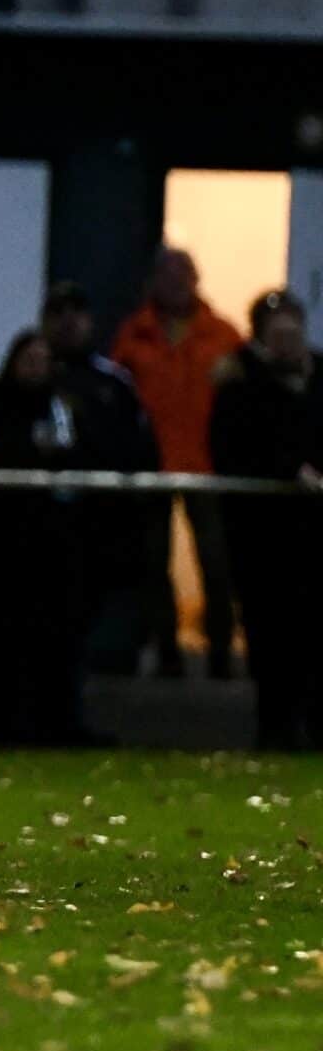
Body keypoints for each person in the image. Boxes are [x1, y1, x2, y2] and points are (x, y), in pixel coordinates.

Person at [111, 248, 242, 678]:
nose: (175, 282)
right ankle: (167, 650)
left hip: (208, 466)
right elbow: (116, 396)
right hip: (153, 466)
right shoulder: (134, 335)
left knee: (216, 563)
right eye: (167, 274)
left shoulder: (223, 335)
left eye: (182, 274)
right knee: (154, 563)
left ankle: (220, 650)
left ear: (195, 279)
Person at [0, 331, 97, 744]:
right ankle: (4, 725)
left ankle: (58, 722)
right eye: (29, 360)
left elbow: (81, 458)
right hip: (3, 542)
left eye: (43, 360)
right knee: (5, 639)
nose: (36, 368)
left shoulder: (65, 408)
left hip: (55, 545)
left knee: (57, 638)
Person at [211, 290, 323, 750]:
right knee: (271, 632)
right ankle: (276, 726)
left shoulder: (318, 377)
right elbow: (231, 448)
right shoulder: (240, 383)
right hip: (264, 536)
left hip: (314, 535)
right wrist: (290, 469)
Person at [41, 281, 157, 675]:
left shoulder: (113, 382)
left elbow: (141, 449)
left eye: (76, 312)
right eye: (58, 313)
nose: (68, 322)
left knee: (89, 616)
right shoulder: (30, 376)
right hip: (42, 525)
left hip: (98, 525)